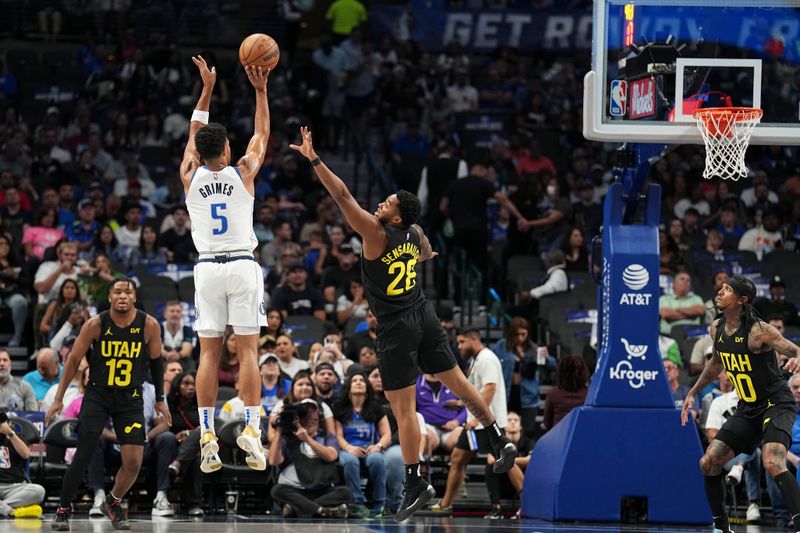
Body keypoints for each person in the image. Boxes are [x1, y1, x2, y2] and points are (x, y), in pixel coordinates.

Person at [290, 126, 517, 522]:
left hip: (396, 325)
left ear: (396, 214)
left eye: (388, 201)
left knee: (403, 410)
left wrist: (314, 159)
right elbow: (427, 252)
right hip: (423, 313)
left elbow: (342, 195)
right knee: (461, 384)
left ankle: (416, 482)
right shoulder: (414, 232)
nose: (381, 202)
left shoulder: (376, 234)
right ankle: (498, 440)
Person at [180, 56, 271, 474]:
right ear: (228, 150)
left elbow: (195, 133)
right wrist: (260, 89)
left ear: (199, 153)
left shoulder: (189, 174)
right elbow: (262, 134)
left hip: (206, 269)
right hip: (241, 265)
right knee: (248, 350)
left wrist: (207, 89)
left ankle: (205, 433)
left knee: (208, 356)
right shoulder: (243, 172)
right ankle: (251, 428)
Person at [46, 277, 171, 530]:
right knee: (83, 454)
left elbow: (157, 363)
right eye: (117, 292)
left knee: (134, 460)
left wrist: (159, 399)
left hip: (130, 397)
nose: (123, 296)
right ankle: (62, 509)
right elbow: (72, 361)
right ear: (110, 297)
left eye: (128, 292)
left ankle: (113, 502)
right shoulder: (96, 324)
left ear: (134, 297)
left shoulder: (149, 325)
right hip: (98, 395)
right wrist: (59, 399)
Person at [680, 275, 800, 533]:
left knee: (772, 460)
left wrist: (799, 357)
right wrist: (693, 391)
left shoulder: (759, 331)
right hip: (748, 408)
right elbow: (716, 363)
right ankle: (722, 528)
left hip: (776, 404)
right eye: (720, 288)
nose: (720, 292)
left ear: (741, 300)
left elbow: (794, 349)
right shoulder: (716, 328)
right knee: (708, 462)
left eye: (727, 290)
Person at [432, 327, 509, 514]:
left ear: (474, 339)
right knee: (457, 458)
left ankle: (526, 498)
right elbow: (478, 391)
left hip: (487, 423)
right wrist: (460, 403)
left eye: (462, 342)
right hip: (476, 423)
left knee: (507, 462)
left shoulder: (487, 358)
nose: (459, 347)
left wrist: (475, 419)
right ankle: (445, 504)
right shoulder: (476, 360)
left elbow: (490, 390)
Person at [268, 398, 352, 518]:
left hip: (321, 489)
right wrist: (279, 431)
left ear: (319, 420)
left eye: (314, 418)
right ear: (298, 419)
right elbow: (273, 461)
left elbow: (331, 456)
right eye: (305, 418)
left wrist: (307, 439)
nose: (310, 421)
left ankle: (299, 509)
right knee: (277, 490)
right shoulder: (287, 438)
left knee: (346, 493)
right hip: (294, 490)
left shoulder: (327, 437)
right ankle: (322, 510)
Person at [704, 370, 762, 523]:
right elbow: (711, 434)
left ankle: (741, 470)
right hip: (726, 453)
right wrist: (733, 443)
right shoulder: (719, 401)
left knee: (753, 450)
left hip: (750, 449)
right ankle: (753, 503)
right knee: (751, 452)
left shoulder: (757, 402)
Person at [0, 411, 46, 518]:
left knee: (38, 491)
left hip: (15, 487)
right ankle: (10, 510)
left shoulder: (15, 437)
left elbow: (26, 454)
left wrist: (10, 433)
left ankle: (4, 508)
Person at [542, 355, 590, 431]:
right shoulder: (590, 393)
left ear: (561, 373)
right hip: (583, 435)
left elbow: (547, 423)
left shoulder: (553, 394)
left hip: (559, 437)